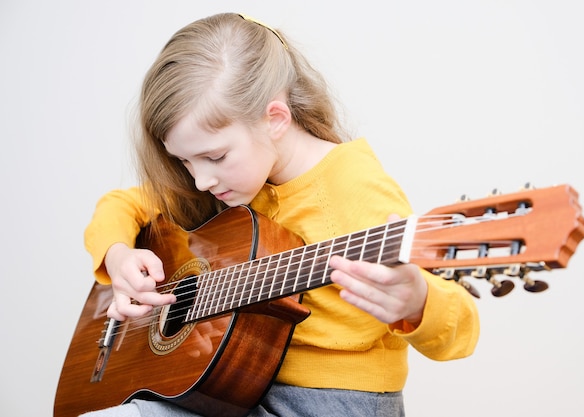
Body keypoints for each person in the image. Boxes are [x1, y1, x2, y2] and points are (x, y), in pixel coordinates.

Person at [81, 12, 479, 417]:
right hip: (239, 388)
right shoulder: (238, 182)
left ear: (274, 120)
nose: (200, 180)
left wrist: (417, 302)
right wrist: (119, 257)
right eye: (184, 162)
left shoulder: (353, 188)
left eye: (214, 156)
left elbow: (462, 325)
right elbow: (122, 203)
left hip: (336, 402)